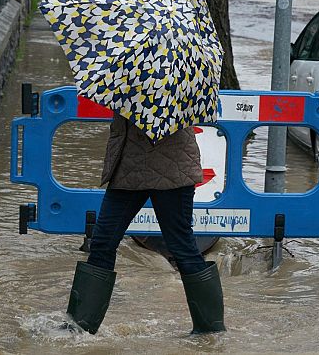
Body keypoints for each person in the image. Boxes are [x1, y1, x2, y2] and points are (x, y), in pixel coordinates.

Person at [64, 112, 226, 335]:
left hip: (170, 170)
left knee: (182, 247)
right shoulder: (131, 90)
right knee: (103, 241)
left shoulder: (166, 94)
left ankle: (210, 330)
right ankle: (78, 328)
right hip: (130, 168)